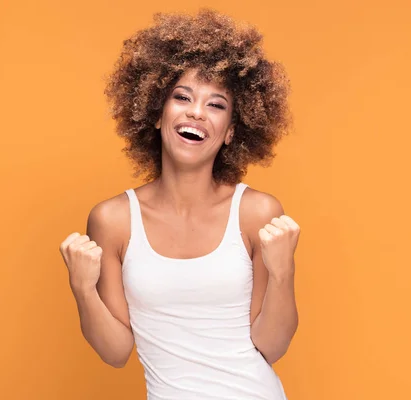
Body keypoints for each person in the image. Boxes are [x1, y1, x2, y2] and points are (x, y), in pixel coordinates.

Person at [59, 9, 301, 399]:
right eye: (182, 97)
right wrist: (82, 289)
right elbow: (115, 351)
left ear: (230, 134)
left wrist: (283, 271)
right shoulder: (113, 219)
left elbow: (272, 346)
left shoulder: (258, 213)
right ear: (157, 114)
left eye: (216, 105)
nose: (196, 112)